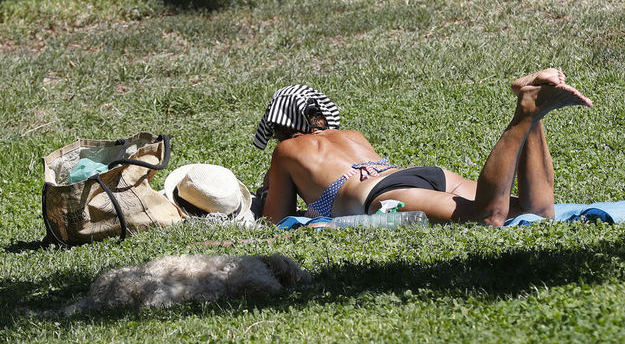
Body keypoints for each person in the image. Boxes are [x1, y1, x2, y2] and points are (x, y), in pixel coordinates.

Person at [253, 69, 592, 226]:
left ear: (281, 127)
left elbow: (276, 221)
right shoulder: (350, 135)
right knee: (540, 212)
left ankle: (526, 109)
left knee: (489, 218)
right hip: (423, 176)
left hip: (384, 196)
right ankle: (534, 112)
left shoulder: (286, 152)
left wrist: (269, 192)